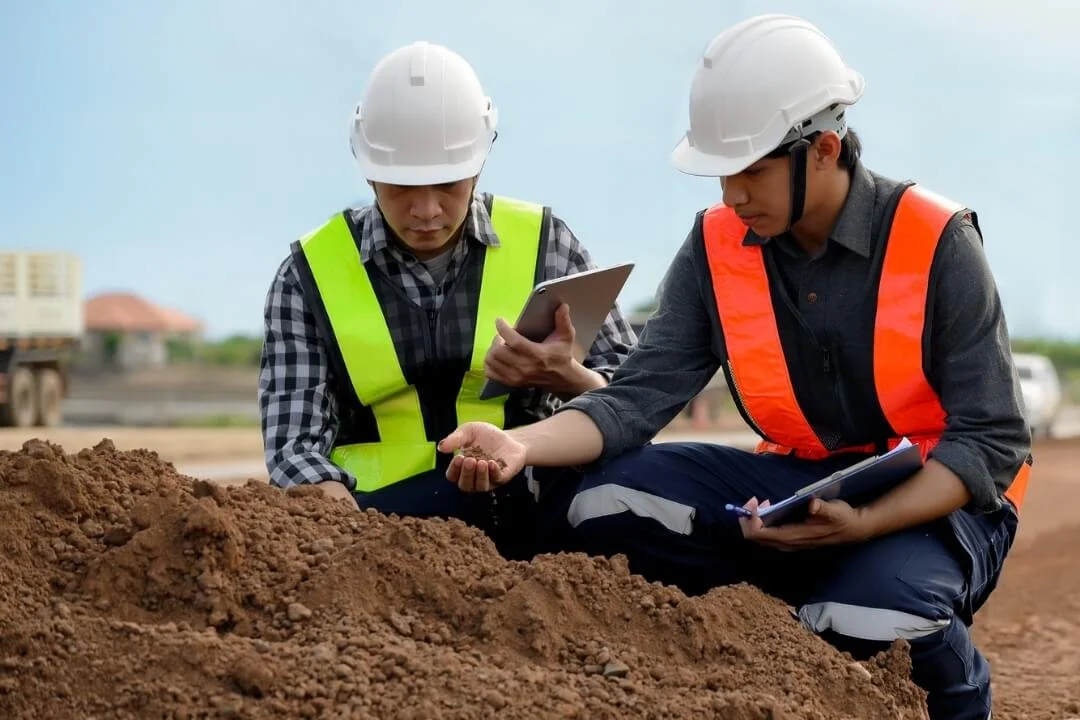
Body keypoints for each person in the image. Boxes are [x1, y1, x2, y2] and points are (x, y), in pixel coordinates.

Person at [437, 15, 1030, 720]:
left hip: (938, 502)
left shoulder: (939, 242)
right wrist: (519, 445)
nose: (732, 196)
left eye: (752, 170)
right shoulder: (718, 245)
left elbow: (991, 443)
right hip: (793, 482)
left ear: (826, 149)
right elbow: (634, 401)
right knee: (595, 503)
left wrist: (864, 525)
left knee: (866, 617)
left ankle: (952, 692)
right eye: (723, 172)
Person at [258, 40, 637, 560]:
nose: (427, 209)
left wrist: (567, 376)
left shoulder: (548, 246)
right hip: (375, 524)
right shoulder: (308, 276)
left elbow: (630, 406)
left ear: (479, 165)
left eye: (448, 185)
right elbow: (294, 451)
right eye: (402, 188)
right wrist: (357, 550)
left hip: (531, 510)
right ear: (368, 170)